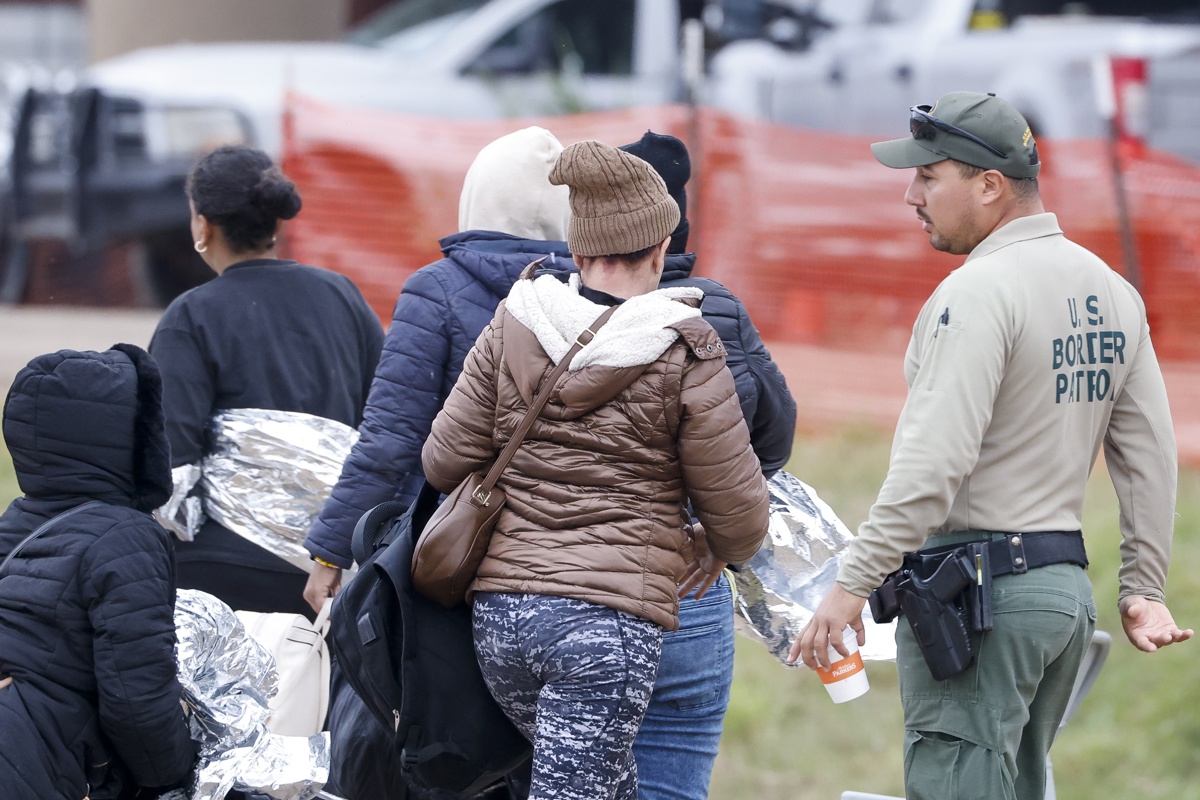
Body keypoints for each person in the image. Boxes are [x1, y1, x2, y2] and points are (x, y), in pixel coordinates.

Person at [792, 91, 1193, 800]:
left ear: (988, 185)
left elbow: (931, 467)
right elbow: (1150, 458)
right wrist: (1143, 588)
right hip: (1059, 599)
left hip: (979, 604)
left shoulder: (975, 292)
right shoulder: (1112, 291)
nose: (911, 194)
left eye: (928, 175)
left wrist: (851, 585)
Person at [422, 139, 771, 800]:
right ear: (662, 249)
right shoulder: (687, 347)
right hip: (607, 632)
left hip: (500, 625)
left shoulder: (512, 323)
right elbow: (742, 512)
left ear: (578, 251)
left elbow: (443, 459)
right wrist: (714, 546)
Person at [539, 130, 796, 800]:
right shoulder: (716, 312)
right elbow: (774, 432)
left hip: (567, 587)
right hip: (688, 582)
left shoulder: (541, 311)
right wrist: (714, 530)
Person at [302, 125, 572, 608]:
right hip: (565, 556)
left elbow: (391, 437)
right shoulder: (596, 298)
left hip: (442, 549)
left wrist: (330, 551)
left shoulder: (437, 290)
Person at [148, 145, 383, 618]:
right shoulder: (342, 296)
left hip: (221, 572)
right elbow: (383, 422)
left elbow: (167, 466)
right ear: (277, 222)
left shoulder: (191, 316)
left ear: (202, 224)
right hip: (335, 566)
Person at [0, 345, 197, 800]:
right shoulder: (126, 538)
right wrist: (172, 776)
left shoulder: (13, 522)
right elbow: (136, 698)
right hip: (36, 765)